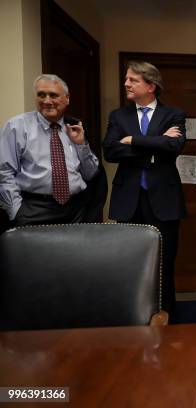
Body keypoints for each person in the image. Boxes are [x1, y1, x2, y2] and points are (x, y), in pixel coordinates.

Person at [103, 61, 186, 313]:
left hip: (164, 202)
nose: (126, 84)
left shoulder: (173, 115)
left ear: (151, 86)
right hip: (128, 201)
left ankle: (166, 318)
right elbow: (110, 151)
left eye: (132, 80)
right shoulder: (118, 116)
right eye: (126, 79)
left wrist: (133, 141)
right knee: (131, 262)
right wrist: (154, 145)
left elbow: (174, 147)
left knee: (164, 262)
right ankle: (134, 317)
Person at [0, 74, 99, 229]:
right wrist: (16, 211)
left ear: (67, 99)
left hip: (76, 210)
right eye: (41, 95)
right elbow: (4, 172)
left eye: (53, 95)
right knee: (35, 254)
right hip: (34, 210)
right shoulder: (17, 127)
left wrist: (81, 144)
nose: (47, 101)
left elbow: (90, 174)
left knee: (73, 253)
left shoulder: (74, 127)